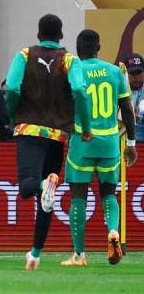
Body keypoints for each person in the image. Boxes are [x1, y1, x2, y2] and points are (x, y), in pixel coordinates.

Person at [5, 13, 92, 270]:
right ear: (61, 36)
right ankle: (35, 254)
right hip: (58, 134)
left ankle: (46, 182)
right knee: (46, 198)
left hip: (29, 129)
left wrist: (14, 115)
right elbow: (79, 90)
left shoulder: (24, 55)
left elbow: (11, 87)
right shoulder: (69, 60)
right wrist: (84, 126)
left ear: (38, 35)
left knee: (26, 187)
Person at [60, 29, 137, 266]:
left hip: (83, 141)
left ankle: (79, 255)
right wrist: (131, 143)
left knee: (78, 197)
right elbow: (127, 108)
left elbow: (63, 108)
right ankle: (113, 231)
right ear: (99, 47)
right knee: (108, 193)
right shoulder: (115, 71)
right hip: (110, 141)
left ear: (77, 48)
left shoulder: (73, 71)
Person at [125, 53, 144, 141]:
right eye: (132, 73)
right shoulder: (118, 91)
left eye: (139, 72)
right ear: (124, 74)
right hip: (124, 143)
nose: (136, 77)